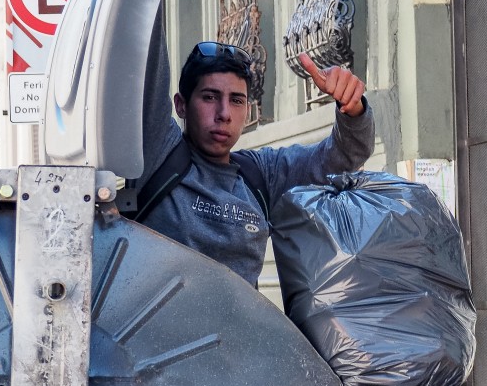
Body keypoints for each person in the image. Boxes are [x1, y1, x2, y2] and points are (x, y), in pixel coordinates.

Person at [129, 38, 374, 286]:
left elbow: (343, 155)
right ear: (181, 105)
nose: (224, 114)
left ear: (247, 111)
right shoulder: (159, 152)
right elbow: (144, 52)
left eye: (236, 100)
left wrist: (352, 108)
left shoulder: (260, 174)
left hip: (243, 325)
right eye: (210, 97)